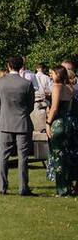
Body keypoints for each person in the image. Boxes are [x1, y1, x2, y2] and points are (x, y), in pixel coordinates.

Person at [0, 56, 35, 195]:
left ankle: (2, 187)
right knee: (23, 157)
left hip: (5, 122)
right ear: (22, 66)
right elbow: (30, 105)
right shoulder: (26, 84)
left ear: (8, 65)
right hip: (22, 122)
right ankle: (23, 187)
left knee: (3, 155)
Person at [45, 65, 76, 196]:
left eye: (52, 73)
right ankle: (68, 186)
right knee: (66, 156)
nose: (50, 75)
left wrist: (48, 123)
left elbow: (55, 108)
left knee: (57, 156)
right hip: (68, 123)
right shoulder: (70, 88)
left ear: (58, 74)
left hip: (58, 124)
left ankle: (61, 189)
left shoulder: (57, 87)